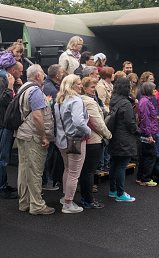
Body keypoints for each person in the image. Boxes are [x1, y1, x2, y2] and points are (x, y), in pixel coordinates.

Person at [15, 64, 56, 215]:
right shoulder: (36, 91)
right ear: (38, 76)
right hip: (33, 136)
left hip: (23, 134)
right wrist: (44, 136)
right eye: (42, 74)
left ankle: (25, 202)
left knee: (25, 170)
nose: (44, 76)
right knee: (35, 171)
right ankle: (37, 205)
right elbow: (38, 115)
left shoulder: (23, 88)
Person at [54, 74, 91, 213]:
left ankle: (66, 198)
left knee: (68, 169)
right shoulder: (75, 100)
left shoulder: (59, 100)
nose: (81, 86)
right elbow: (78, 122)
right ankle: (68, 204)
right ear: (72, 86)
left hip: (62, 141)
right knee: (74, 173)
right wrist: (88, 131)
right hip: (75, 140)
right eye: (79, 84)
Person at [0, 60, 24, 199]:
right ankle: (0, 188)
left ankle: (3, 184)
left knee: (5, 156)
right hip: (3, 124)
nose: (22, 73)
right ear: (12, 71)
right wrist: (11, 86)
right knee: (2, 157)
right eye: (20, 71)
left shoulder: (8, 81)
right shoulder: (1, 82)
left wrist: (18, 87)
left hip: (7, 123)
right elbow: (4, 100)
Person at [80, 77, 112, 208]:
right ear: (84, 88)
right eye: (92, 87)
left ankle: (85, 198)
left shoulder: (80, 99)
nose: (95, 90)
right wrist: (108, 135)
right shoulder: (89, 102)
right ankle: (88, 200)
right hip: (93, 140)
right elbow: (97, 123)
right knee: (89, 171)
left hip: (87, 140)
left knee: (85, 171)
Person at [107, 77, 140, 202]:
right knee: (122, 166)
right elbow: (130, 122)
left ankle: (113, 190)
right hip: (125, 138)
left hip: (115, 136)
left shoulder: (113, 100)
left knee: (115, 164)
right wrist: (138, 131)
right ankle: (120, 193)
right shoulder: (125, 103)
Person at [41, 64, 65, 191]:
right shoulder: (51, 90)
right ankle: (44, 182)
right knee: (47, 156)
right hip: (50, 129)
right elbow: (52, 112)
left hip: (49, 128)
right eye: (61, 72)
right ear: (57, 75)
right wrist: (55, 131)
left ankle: (46, 180)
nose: (63, 74)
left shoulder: (48, 86)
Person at [136, 82, 159, 186]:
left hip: (147, 132)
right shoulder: (145, 102)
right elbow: (145, 119)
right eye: (153, 89)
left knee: (144, 156)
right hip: (147, 133)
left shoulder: (145, 100)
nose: (155, 90)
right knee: (150, 155)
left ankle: (140, 177)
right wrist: (149, 134)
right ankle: (145, 179)